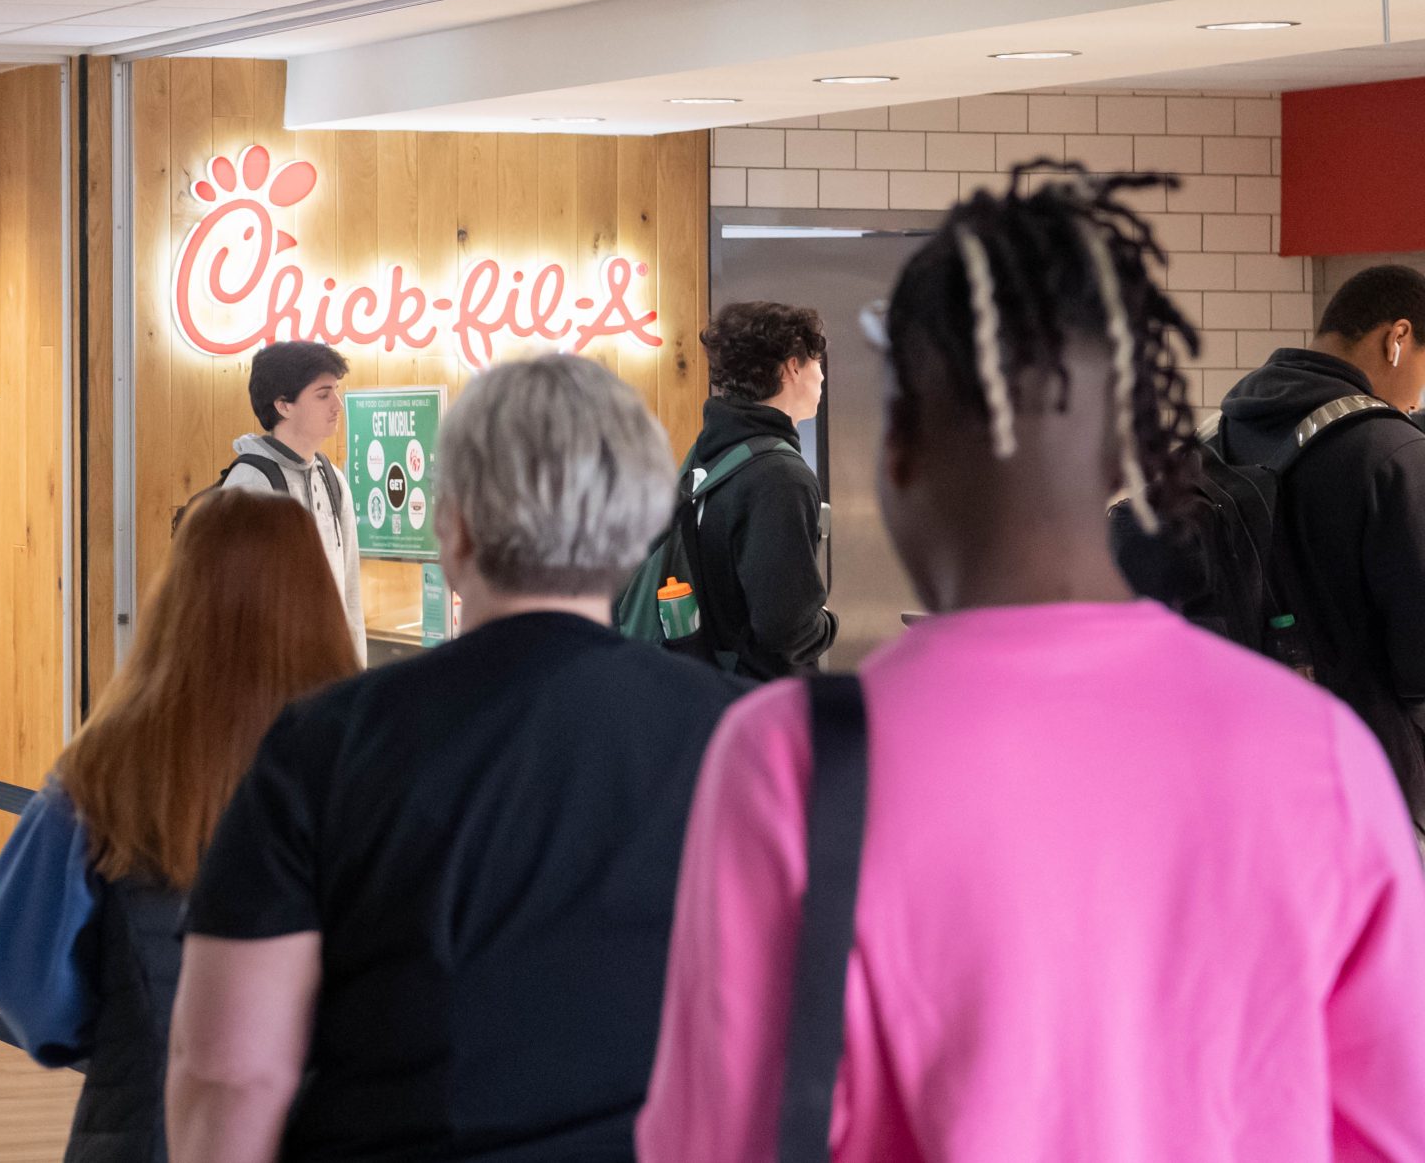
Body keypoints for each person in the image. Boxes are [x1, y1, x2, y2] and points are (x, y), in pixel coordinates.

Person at [637, 170, 1425, 1161]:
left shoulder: (791, 763)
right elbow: (1387, 1133)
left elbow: (718, 1138)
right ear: (1128, 450)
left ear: (898, 455)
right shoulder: (1323, 758)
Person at [168, 355, 743, 1163]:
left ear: (455, 524)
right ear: (639, 524)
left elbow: (232, 1070)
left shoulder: (326, 743)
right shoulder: (736, 738)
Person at [0, 490, 357, 1163]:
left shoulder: (100, 774)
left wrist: (117, 1027)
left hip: (147, 1124)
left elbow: (29, 983)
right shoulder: (374, 766)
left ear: (175, 600)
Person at [1220, 263, 1425, 814]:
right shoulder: (1391, 452)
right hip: (1362, 777)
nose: (1416, 398)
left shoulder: (1223, 431)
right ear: (1397, 340)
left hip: (1237, 761)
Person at [679, 302, 835, 677]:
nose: (821, 376)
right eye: (816, 363)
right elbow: (786, 628)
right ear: (792, 367)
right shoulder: (779, 476)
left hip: (709, 682)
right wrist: (828, 623)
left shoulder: (710, 451)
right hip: (760, 698)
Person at [221, 341, 364, 663]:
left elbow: (349, 591)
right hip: (274, 680)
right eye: (323, 394)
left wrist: (356, 675)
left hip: (331, 678)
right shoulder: (249, 485)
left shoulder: (333, 478)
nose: (337, 405)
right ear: (284, 405)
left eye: (336, 391)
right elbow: (235, 609)